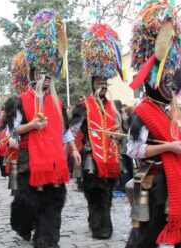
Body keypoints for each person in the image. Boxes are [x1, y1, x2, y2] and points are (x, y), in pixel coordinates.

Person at [125, 0, 181, 247]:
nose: (170, 85)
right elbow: (134, 150)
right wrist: (169, 147)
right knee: (146, 237)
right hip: (156, 182)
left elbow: (180, 138)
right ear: (153, 82)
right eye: (164, 79)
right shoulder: (142, 111)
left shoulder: (172, 109)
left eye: (171, 80)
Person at [7, 10, 81, 248]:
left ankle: (47, 241)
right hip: (30, 162)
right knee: (28, 204)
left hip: (56, 162)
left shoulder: (58, 102)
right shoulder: (20, 100)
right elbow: (12, 131)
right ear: (34, 73)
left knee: (53, 204)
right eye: (43, 73)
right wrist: (32, 125)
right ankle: (24, 226)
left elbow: (63, 130)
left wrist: (72, 148)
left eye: (50, 74)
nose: (47, 78)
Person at [70, 23, 123, 239]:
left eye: (105, 82)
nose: (102, 85)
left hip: (110, 157)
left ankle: (101, 221)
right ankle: (99, 225)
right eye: (99, 82)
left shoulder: (113, 107)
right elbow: (72, 129)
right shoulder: (84, 106)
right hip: (91, 155)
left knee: (107, 193)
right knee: (95, 193)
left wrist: (118, 134)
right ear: (93, 83)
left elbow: (120, 130)